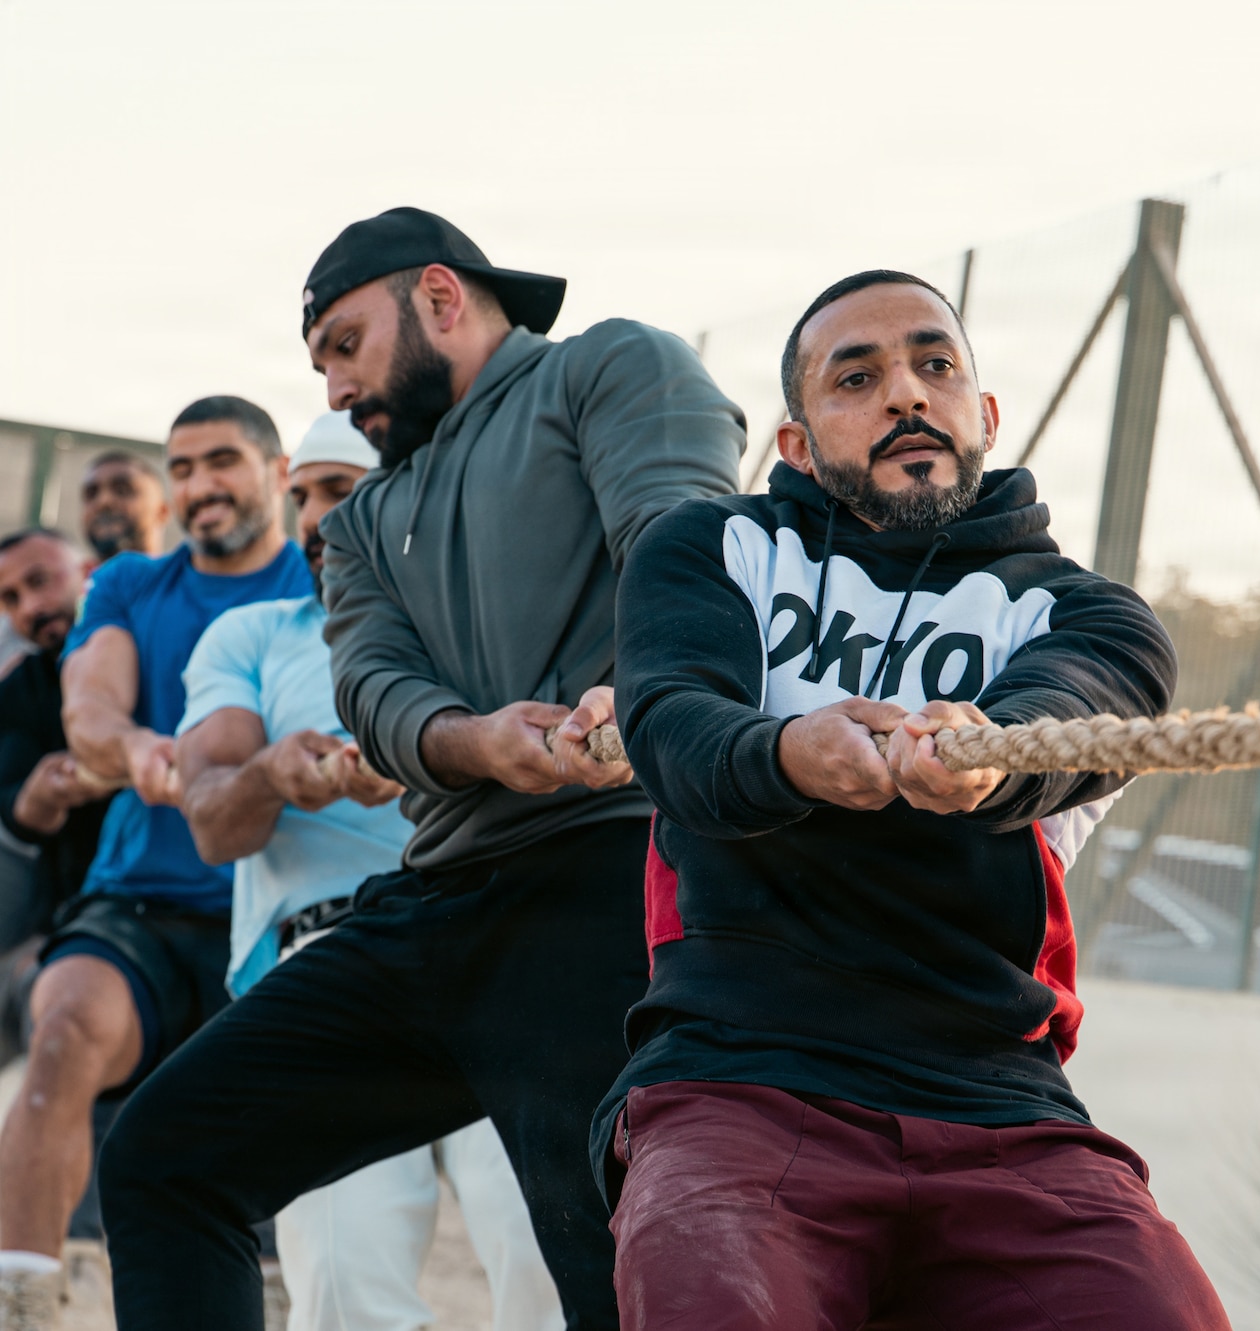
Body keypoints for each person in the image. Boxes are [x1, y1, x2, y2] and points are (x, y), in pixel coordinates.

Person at [98, 206, 745, 1331]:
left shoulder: (608, 365)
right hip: (430, 904)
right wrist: (481, 739)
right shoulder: (359, 521)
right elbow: (380, 696)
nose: (336, 388)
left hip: (613, 878)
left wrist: (644, 678)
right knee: (163, 1157)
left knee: (622, 1271)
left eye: (344, 344)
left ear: (440, 297)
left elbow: (680, 537)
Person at [597, 270, 1228, 1328]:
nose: (904, 394)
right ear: (796, 444)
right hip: (737, 1077)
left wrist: (985, 755)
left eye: (933, 365)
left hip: (1002, 1101)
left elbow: (1070, 713)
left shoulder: (1093, 614)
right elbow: (672, 725)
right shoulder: (712, 550)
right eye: (857, 376)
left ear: (981, 415)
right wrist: (794, 751)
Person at [174, 410, 563, 1331]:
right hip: (325, 964)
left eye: (338, 491)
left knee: (548, 1261)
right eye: (301, 493)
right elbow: (211, 824)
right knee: (344, 1292)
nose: (311, 516)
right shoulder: (253, 635)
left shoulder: (496, 617)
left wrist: (437, 757)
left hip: (497, 947)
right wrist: (275, 772)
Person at [0, 397, 310, 1323]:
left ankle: (276, 1276)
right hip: (137, 903)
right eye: (180, 468)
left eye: (221, 461)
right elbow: (89, 705)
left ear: (278, 472)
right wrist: (133, 749)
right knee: (60, 1032)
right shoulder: (133, 581)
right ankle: (23, 1295)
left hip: (280, 906)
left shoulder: (320, 580)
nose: (198, 486)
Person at [0, 531, 102, 954]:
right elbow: (14, 804)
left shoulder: (156, 650)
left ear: (88, 573)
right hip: (81, 908)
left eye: (40, 581)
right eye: (11, 598)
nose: (32, 607)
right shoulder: (21, 689)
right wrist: (42, 798)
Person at [78, 451, 172, 566]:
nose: (103, 501)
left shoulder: (192, 582)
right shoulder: (65, 581)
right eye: (91, 494)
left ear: (162, 512)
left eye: (123, 490)